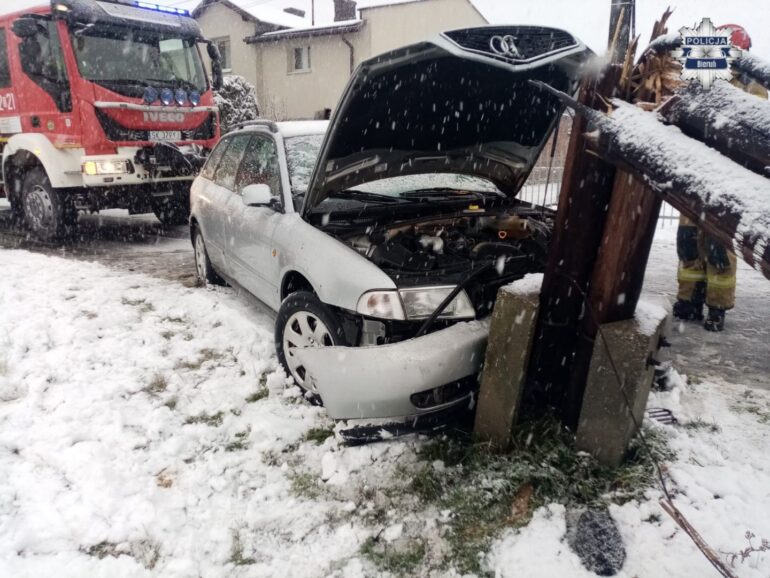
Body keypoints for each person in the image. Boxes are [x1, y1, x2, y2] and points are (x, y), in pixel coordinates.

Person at [673, 24, 768, 332]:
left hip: (727, 179)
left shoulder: (753, 88)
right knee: (688, 242)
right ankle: (689, 299)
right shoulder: (702, 78)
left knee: (718, 248)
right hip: (694, 173)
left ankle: (717, 306)